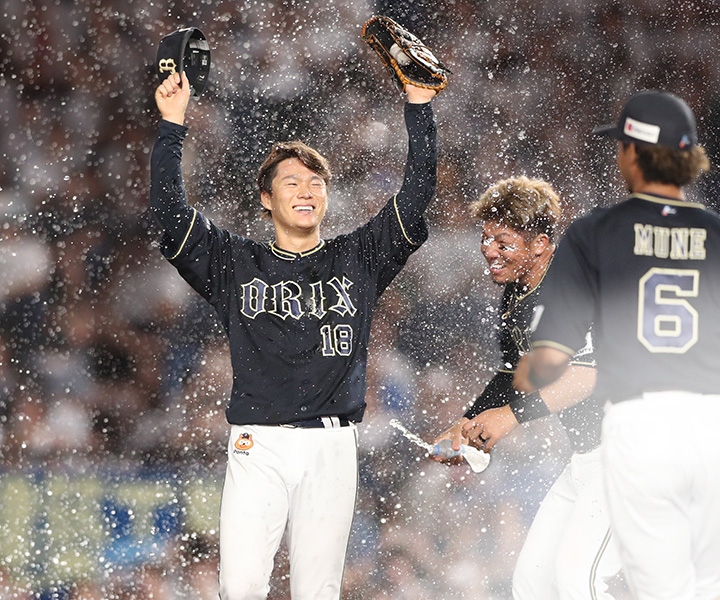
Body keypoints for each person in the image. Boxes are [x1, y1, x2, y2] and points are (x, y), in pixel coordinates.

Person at [150, 70, 437, 599]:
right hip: (259, 442)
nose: (306, 191)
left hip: (332, 442)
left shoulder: (358, 257)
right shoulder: (235, 262)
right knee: (240, 587)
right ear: (266, 199)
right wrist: (172, 125)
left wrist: (418, 106)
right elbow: (170, 216)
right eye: (292, 182)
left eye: (316, 183)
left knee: (317, 591)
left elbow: (416, 195)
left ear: (326, 197)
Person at [514, 90, 720, 600]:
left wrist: (524, 375)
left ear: (633, 153)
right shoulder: (716, 233)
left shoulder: (595, 234)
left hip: (640, 427)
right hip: (710, 427)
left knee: (632, 586)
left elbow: (552, 359)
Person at [431, 176, 621, 599]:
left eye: (502, 240)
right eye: (485, 238)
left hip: (628, 454)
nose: (488, 250)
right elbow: (512, 372)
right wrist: (466, 423)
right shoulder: (519, 288)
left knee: (579, 583)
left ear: (539, 243)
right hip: (588, 459)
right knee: (531, 584)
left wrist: (511, 417)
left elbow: (589, 376)